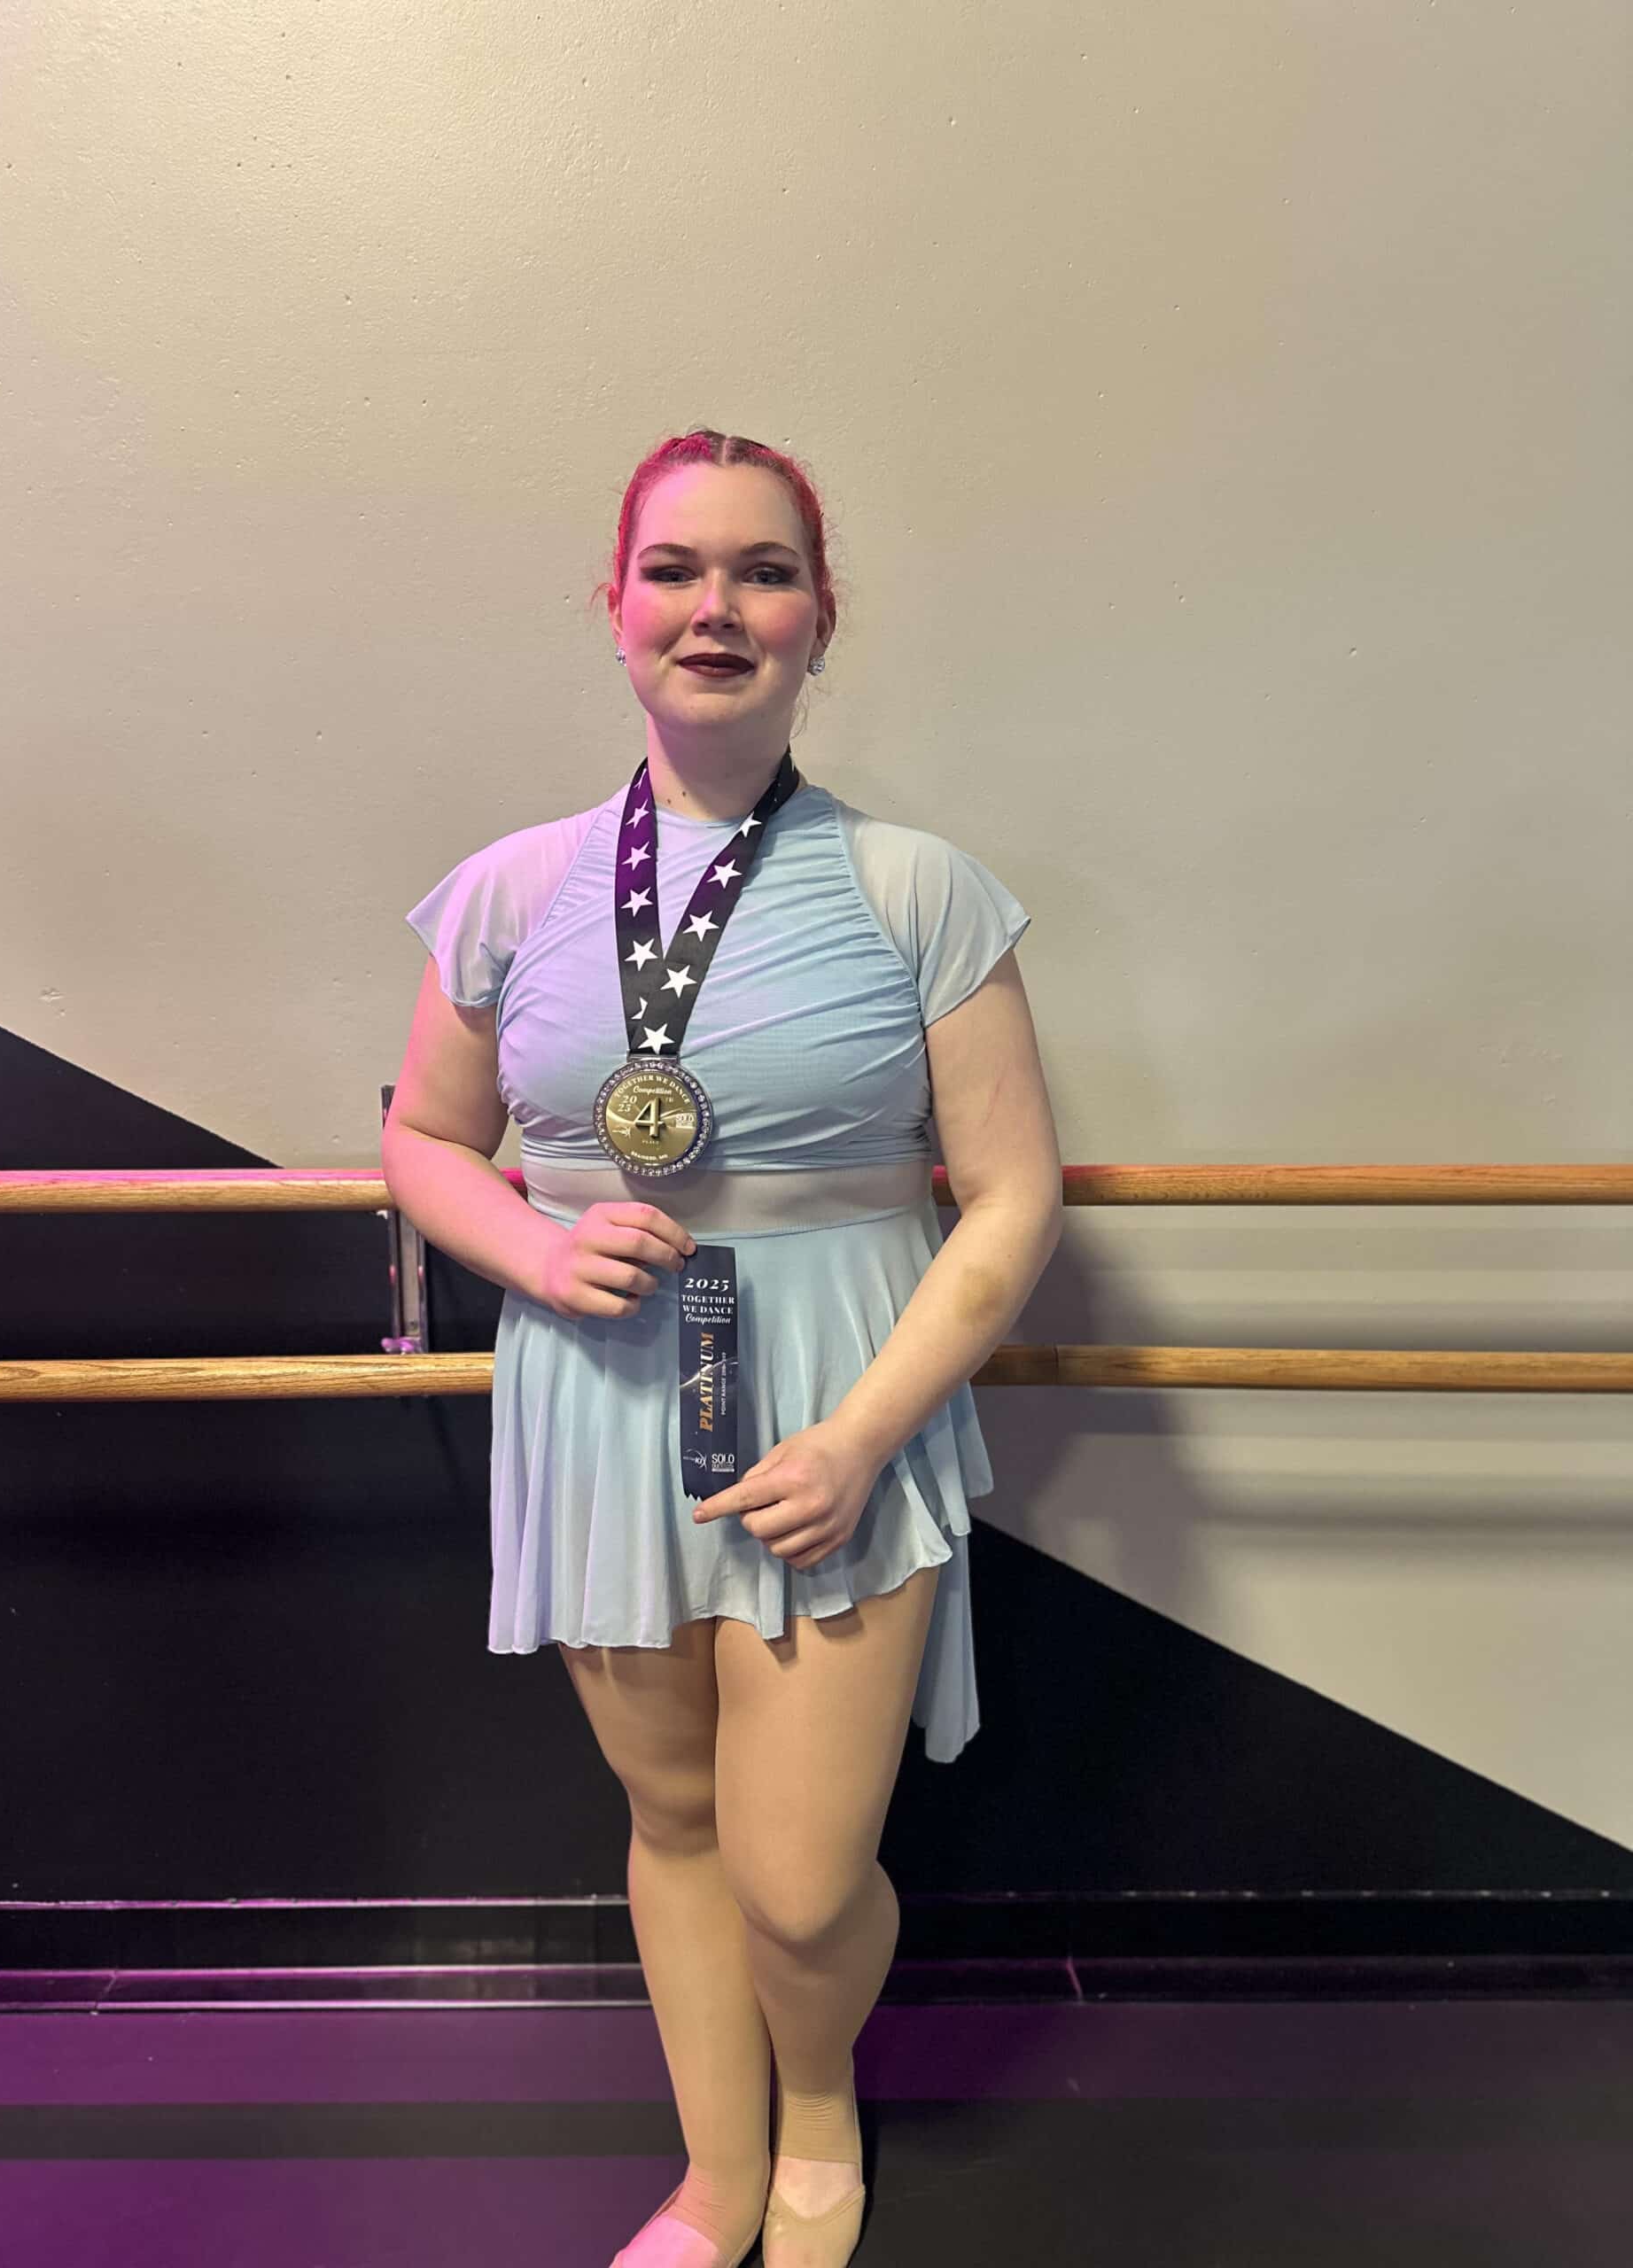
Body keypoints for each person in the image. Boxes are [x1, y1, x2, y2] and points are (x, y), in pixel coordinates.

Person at [381, 428, 1063, 2268]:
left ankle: (819, 2101)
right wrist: (533, 1243)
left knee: (800, 1874)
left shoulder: (919, 888)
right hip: (602, 1394)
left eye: (764, 571)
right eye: (675, 569)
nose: (717, 607)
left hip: (844, 1408)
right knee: (673, 1820)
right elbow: (424, 1139)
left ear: (821, 617)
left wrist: (864, 1433)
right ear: (613, 606)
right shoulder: (512, 888)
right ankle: (717, 2170)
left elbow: (1010, 1195)